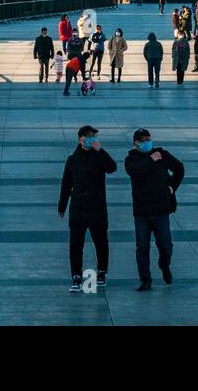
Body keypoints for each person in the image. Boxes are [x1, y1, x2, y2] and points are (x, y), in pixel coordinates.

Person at [124, 128, 184, 292]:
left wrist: (172, 186)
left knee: (165, 244)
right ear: (135, 143)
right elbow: (136, 172)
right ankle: (145, 279)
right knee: (142, 247)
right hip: (142, 211)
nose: (146, 142)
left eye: (148, 139)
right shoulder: (131, 159)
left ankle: (164, 264)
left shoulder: (162, 154)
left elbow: (179, 168)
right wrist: (150, 159)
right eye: (142, 140)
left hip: (161, 209)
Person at [58, 125, 117, 292]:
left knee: (101, 242)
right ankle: (76, 277)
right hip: (78, 208)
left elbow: (112, 168)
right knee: (76, 244)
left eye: (93, 136)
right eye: (88, 136)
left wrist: (101, 151)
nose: (91, 139)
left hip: (97, 207)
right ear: (80, 139)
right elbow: (66, 184)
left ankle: (102, 272)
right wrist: (62, 206)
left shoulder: (99, 157)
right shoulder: (72, 159)